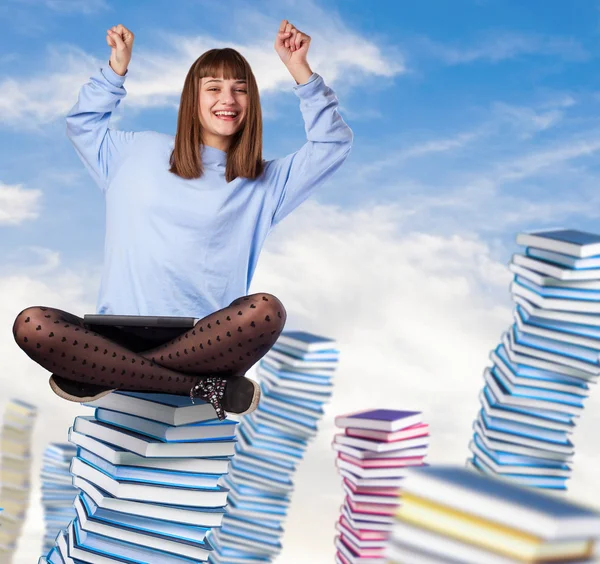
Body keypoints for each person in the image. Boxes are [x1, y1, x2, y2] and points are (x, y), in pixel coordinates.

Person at [12, 20, 353, 421]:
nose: (228, 98)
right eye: (213, 88)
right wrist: (115, 69)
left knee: (266, 311)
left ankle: (109, 372)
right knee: (33, 325)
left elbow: (332, 144)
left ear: (252, 103)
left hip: (206, 342)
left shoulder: (266, 182)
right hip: (115, 335)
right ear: (192, 98)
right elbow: (83, 124)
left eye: (240, 89)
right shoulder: (134, 152)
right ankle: (194, 387)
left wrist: (300, 71)